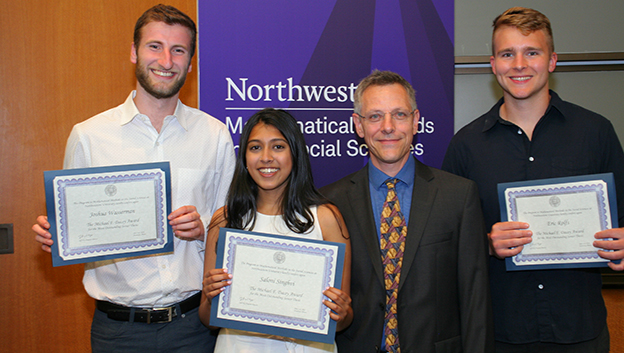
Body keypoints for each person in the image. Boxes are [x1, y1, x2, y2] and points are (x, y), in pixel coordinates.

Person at [31, 4, 235, 352]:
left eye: (179, 50)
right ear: (133, 52)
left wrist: (203, 227)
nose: (166, 60)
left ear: (191, 61)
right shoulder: (89, 136)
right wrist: (59, 235)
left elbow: (233, 227)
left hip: (193, 328)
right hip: (117, 331)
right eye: (154, 46)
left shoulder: (215, 136)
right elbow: (75, 228)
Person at [442, 7, 624, 352]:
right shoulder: (465, 146)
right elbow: (446, 242)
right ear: (493, 63)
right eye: (507, 53)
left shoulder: (596, 132)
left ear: (552, 61)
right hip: (499, 334)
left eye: (532, 52)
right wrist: (486, 244)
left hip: (580, 331)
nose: (519, 64)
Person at [320, 70, 494, 353]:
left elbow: (476, 300)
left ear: (415, 121)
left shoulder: (458, 196)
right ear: (358, 125)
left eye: (399, 114)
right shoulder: (329, 202)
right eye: (375, 116)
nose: (387, 127)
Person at [199, 108, 353, 352]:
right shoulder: (225, 221)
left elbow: (342, 321)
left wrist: (342, 312)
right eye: (255, 147)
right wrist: (209, 295)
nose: (266, 157)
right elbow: (208, 319)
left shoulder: (325, 218)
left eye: (278, 146)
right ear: (245, 157)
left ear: (295, 153)